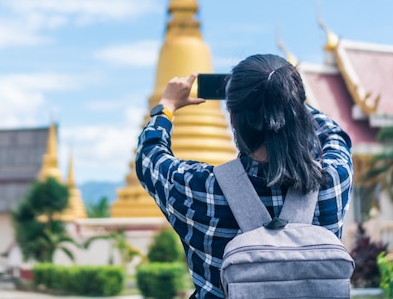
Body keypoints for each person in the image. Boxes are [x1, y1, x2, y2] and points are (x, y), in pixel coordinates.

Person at [136, 54, 353, 299]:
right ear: (297, 112)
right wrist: (283, 96)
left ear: (232, 117)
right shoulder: (334, 179)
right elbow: (334, 134)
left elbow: (149, 156)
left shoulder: (201, 188)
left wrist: (166, 106)